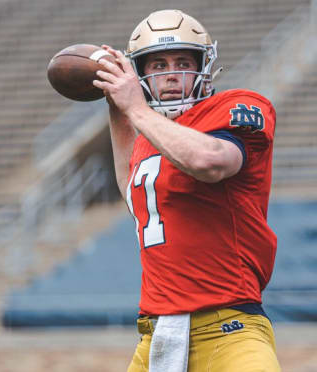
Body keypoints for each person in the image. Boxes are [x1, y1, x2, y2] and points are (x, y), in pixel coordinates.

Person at [92, 9, 280, 372]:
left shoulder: (236, 106)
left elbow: (211, 161)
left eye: (182, 61)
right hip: (156, 333)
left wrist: (137, 109)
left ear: (204, 67)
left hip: (229, 329)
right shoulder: (154, 135)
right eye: (158, 65)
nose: (172, 74)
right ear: (141, 74)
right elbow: (137, 198)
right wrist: (118, 111)